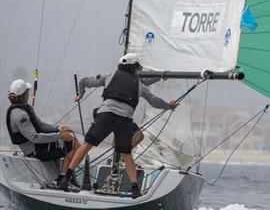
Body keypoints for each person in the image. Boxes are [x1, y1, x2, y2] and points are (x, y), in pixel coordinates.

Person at [56, 53, 178, 198]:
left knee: (86, 145)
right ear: (135, 68)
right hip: (124, 120)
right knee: (127, 154)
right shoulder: (139, 86)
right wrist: (168, 106)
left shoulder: (110, 76)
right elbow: (154, 101)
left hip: (105, 116)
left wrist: (80, 94)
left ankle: (65, 179)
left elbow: (84, 81)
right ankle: (135, 190)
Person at [6, 79, 81, 184]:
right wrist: (59, 136)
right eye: (27, 91)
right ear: (23, 95)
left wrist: (59, 128)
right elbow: (34, 138)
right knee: (73, 143)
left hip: (41, 146)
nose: (29, 93)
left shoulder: (26, 108)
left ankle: (65, 175)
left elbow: (41, 126)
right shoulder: (19, 115)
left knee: (73, 140)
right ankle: (62, 178)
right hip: (34, 151)